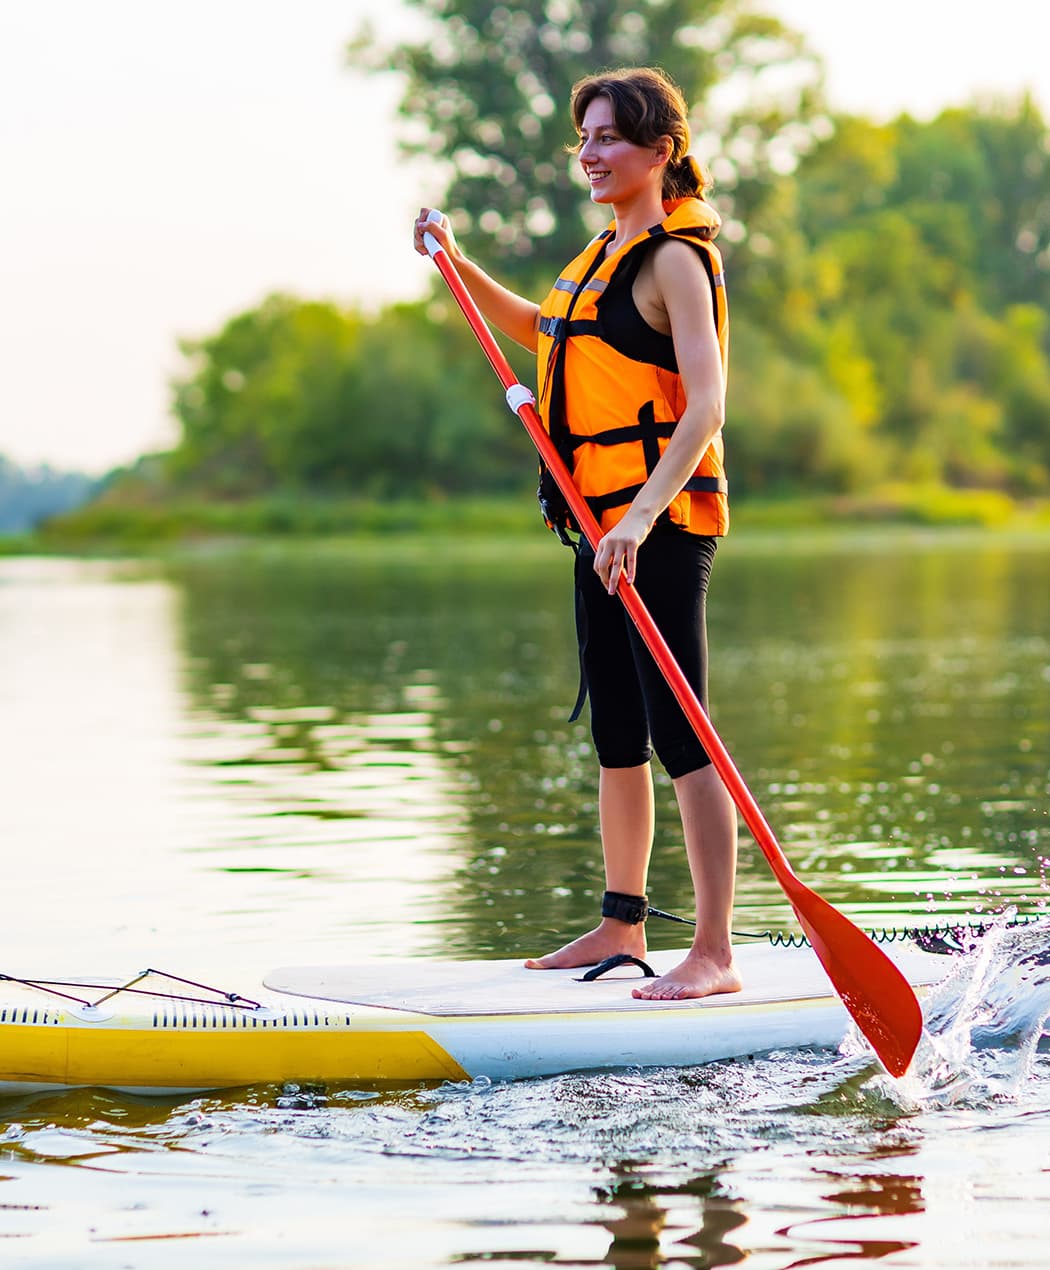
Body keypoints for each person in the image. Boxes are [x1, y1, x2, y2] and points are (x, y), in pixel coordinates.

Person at [414, 66, 740, 1001]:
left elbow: (707, 407)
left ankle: (713, 952)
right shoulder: (598, 254)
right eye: (584, 139)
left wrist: (638, 518)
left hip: (659, 524)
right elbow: (538, 330)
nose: (589, 155)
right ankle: (621, 926)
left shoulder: (674, 260)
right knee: (618, 737)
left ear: (661, 152)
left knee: (686, 738)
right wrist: (454, 260)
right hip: (598, 529)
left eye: (608, 138)